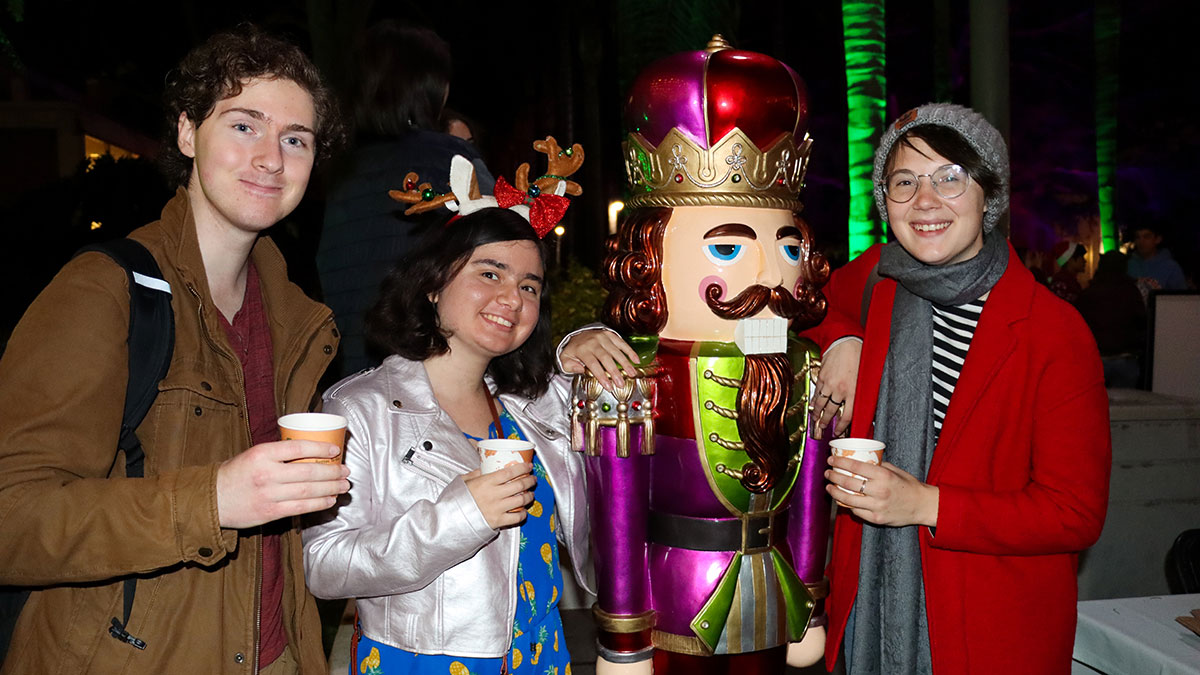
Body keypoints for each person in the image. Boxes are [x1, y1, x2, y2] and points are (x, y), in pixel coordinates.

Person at [0, 25, 350, 674]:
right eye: (245, 125)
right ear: (188, 133)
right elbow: (12, 517)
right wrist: (211, 500)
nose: (272, 156)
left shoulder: (297, 314)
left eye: (295, 139)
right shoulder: (104, 291)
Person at [556, 36, 841, 673]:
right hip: (674, 601)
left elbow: (810, 508)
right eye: (729, 249)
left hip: (775, 599)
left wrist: (811, 602)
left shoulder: (807, 367)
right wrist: (623, 635)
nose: (773, 271)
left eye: (789, 248)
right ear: (650, 255)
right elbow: (617, 516)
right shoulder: (630, 380)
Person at [809, 103, 1111, 674]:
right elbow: (796, 302)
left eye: (950, 177)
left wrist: (925, 504)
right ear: (886, 202)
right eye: (905, 182)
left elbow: (1074, 513)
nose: (926, 201)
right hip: (862, 613)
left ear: (987, 197)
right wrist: (841, 341)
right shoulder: (877, 279)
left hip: (990, 632)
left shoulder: (1052, 331)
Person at [304, 205, 621, 674]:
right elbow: (322, 564)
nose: (512, 299)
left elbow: (618, 404)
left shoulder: (531, 406)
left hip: (544, 656)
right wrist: (461, 516)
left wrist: (579, 340)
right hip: (424, 662)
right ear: (433, 284)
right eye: (490, 274)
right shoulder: (360, 409)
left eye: (529, 286)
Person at [318, 21, 494, 379]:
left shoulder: (334, 172)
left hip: (346, 373)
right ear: (430, 86)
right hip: (431, 378)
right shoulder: (452, 160)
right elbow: (503, 256)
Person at [1076, 250, 1147, 387]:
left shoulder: (1089, 293)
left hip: (1096, 359)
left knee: (1096, 406)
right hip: (1125, 358)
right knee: (1126, 406)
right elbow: (1141, 321)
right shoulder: (1131, 292)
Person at [1126, 222, 1187, 291]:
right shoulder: (1128, 265)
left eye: (1146, 237)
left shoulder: (1171, 267)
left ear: (1158, 239)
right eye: (1137, 237)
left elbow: (1181, 298)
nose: (1141, 241)